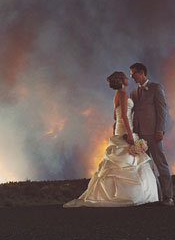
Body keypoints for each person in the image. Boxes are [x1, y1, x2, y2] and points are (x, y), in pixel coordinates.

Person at [63, 71, 158, 207]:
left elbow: (115, 116)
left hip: (120, 129)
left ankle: (115, 193)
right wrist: (130, 134)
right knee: (128, 160)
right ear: (121, 80)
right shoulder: (123, 94)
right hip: (125, 129)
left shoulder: (116, 95)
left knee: (121, 161)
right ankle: (131, 195)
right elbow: (124, 116)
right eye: (125, 77)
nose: (127, 78)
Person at [129, 62, 174, 206]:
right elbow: (132, 112)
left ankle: (168, 197)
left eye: (133, 73)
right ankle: (156, 196)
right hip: (139, 135)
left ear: (141, 72)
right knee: (147, 167)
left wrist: (160, 129)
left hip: (153, 134)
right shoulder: (134, 93)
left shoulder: (156, 88)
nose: (131, 77)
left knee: (161, 164)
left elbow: (162, 110)